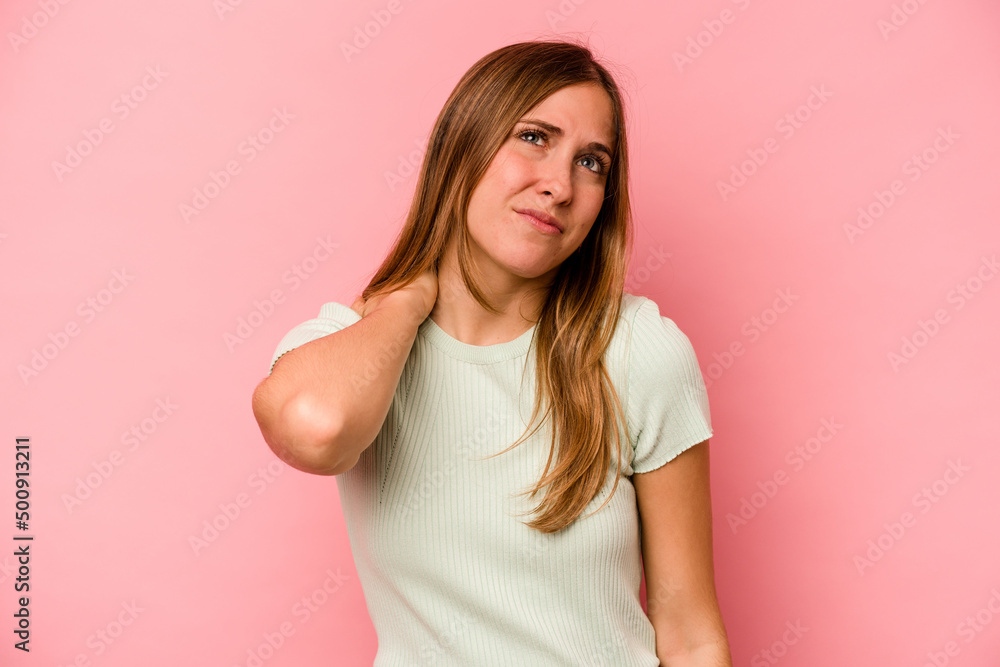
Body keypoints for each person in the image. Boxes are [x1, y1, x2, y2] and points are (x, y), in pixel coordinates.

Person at [251, 38, 732, 666]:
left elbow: (690, 633)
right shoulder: (354, 347)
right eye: (534, 137)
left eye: (592, 163)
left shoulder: (637, 349)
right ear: (463, 147)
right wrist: (407, 300)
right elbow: (316, 431)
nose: (559, 186)